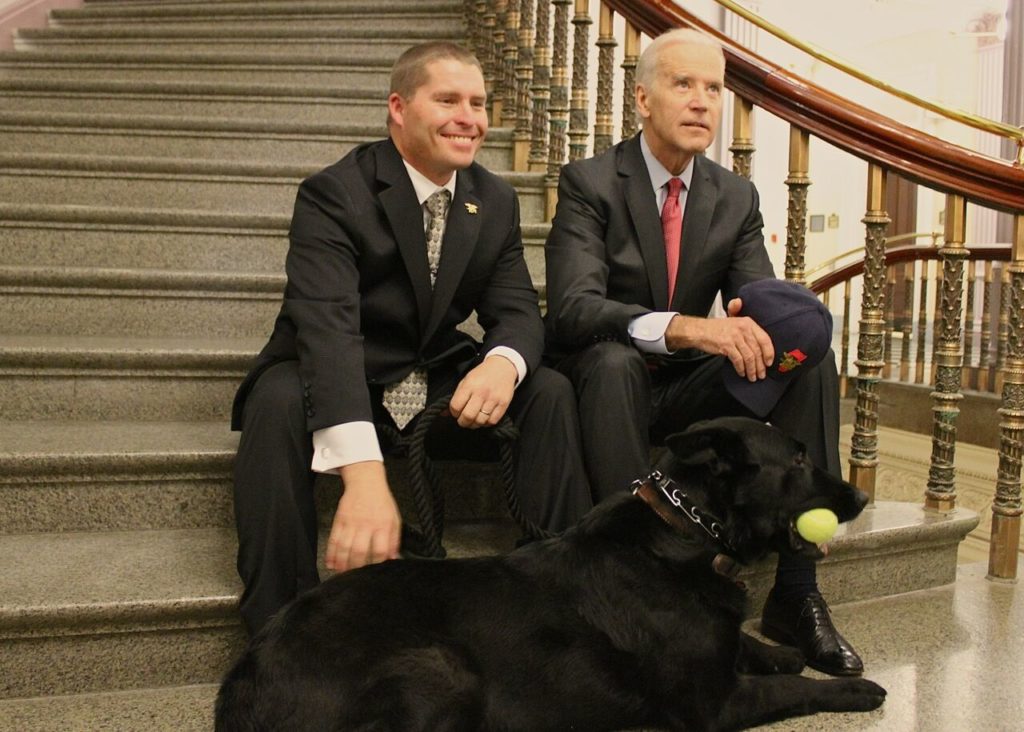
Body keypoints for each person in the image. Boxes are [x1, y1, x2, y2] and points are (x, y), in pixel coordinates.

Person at [231, 42, 593, 636]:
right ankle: (279, 629)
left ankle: (567, 611)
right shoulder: (334, 193)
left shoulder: (493, 199)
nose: (469, 117)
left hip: (432, 378)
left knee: (547, 389)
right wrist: (365, 478)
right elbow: (328, 331)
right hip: (347, 374)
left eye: (478, 103)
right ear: (398, 108)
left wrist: (501, 364)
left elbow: (519, 312)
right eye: (447, 99)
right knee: (275, 401)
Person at [543, 28, 863, 677]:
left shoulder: (733, 196)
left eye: (712, 88)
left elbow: (756, 312)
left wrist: (782, 328)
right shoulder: (590, 183)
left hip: (693, 397)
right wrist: (689, 327)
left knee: (810, 362)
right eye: (682, 84)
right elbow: (574, 309)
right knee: (611, 360)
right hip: (608, 391)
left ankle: (797, 590)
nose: (700, 101)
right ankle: (632, 582)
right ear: (642, 98)